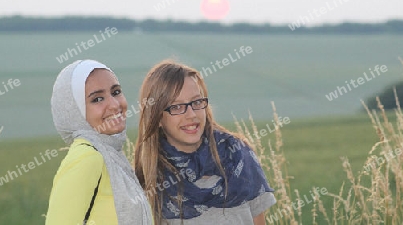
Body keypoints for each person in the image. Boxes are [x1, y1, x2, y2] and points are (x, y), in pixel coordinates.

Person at [134, 60, 276, 225]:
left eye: (196, 102)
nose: (191, 114)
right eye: (177, 107)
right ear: (157, 117)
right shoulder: (150, 179)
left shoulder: (238, 155)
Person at [46, 59, 153, 225]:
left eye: (116, 92)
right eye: (97, 99)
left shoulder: (113, 155)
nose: (114, 104)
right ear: (74, 112)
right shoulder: (88, 157)